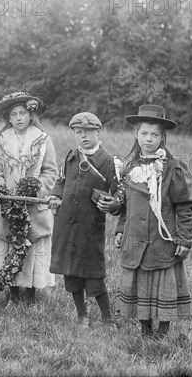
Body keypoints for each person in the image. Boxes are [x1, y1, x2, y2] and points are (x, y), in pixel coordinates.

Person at [115, 104, 192, 339]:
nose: (148, 139)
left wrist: (184, 239)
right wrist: (121, 229)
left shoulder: (173, 168)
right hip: (135, 239)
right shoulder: (129, 167)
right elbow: (125, 207)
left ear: (162, 137)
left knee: (163, 283)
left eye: (154, 135)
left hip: (162, 240)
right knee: (140, 283)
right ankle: (145, 328)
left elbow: (184, 206)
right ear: (136, 134)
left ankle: (163, 330)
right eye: (144, 134)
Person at [0, 92, 58, 306]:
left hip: (33, 202)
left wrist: (37, 188)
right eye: (14, 115)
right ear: (8, 118)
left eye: (22, 113)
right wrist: (0, 189)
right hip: (8, 200)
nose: (19, 118)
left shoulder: (43, 139)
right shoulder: (0, 139)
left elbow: (51, 170)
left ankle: (31, 295)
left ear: (31, 115)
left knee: (31, 242)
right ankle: (13, 294)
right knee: (10, 242)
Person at [48, 112, 122, 328]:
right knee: (71, 273)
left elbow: (119, 195)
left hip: (90, 228)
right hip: (65, 226)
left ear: (98, 132)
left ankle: (108, 318)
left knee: (93, 275)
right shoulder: (70, 158)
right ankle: (82, 317)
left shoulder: (109, 162)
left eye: (88, 132)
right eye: (78, 132)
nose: (83, 136)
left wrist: (113, 204)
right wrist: (54, 195)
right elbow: (61, 182)